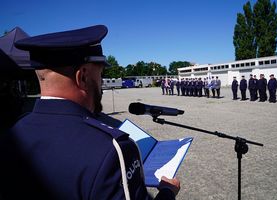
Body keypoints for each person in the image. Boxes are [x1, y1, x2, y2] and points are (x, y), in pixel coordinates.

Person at [0, 25, 180, 200]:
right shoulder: (112, 150)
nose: (101, 83)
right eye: (100, 75)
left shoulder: (12, 133)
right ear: (83, 76)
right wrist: (167, 192)